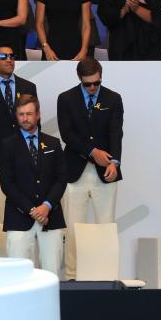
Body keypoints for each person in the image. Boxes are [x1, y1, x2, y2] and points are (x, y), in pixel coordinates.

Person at [56, 57, 123, 281]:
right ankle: (73, 277)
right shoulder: (66, 99)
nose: (93, 87)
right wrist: (92, 151)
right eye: (88, 84)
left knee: (105, 226)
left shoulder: (113, 98)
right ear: (80, 80)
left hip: (106, 171)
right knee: (74, 229)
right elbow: (67, 134)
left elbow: (116, 132)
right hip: (75, 171)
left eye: (96, 83)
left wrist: (115, 162)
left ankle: (106, 277)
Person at [0, 94, 67, 276]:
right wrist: (32, 210)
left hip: (50, 218)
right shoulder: (6, 145)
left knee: (52, 274)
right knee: (17, 275)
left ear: (38, 115)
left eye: (29, 114)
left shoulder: (53, 143)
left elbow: (61, 179)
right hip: (19, 218)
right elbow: (7, 184)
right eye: (21, 114)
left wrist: (46, 206)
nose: (25, 118)